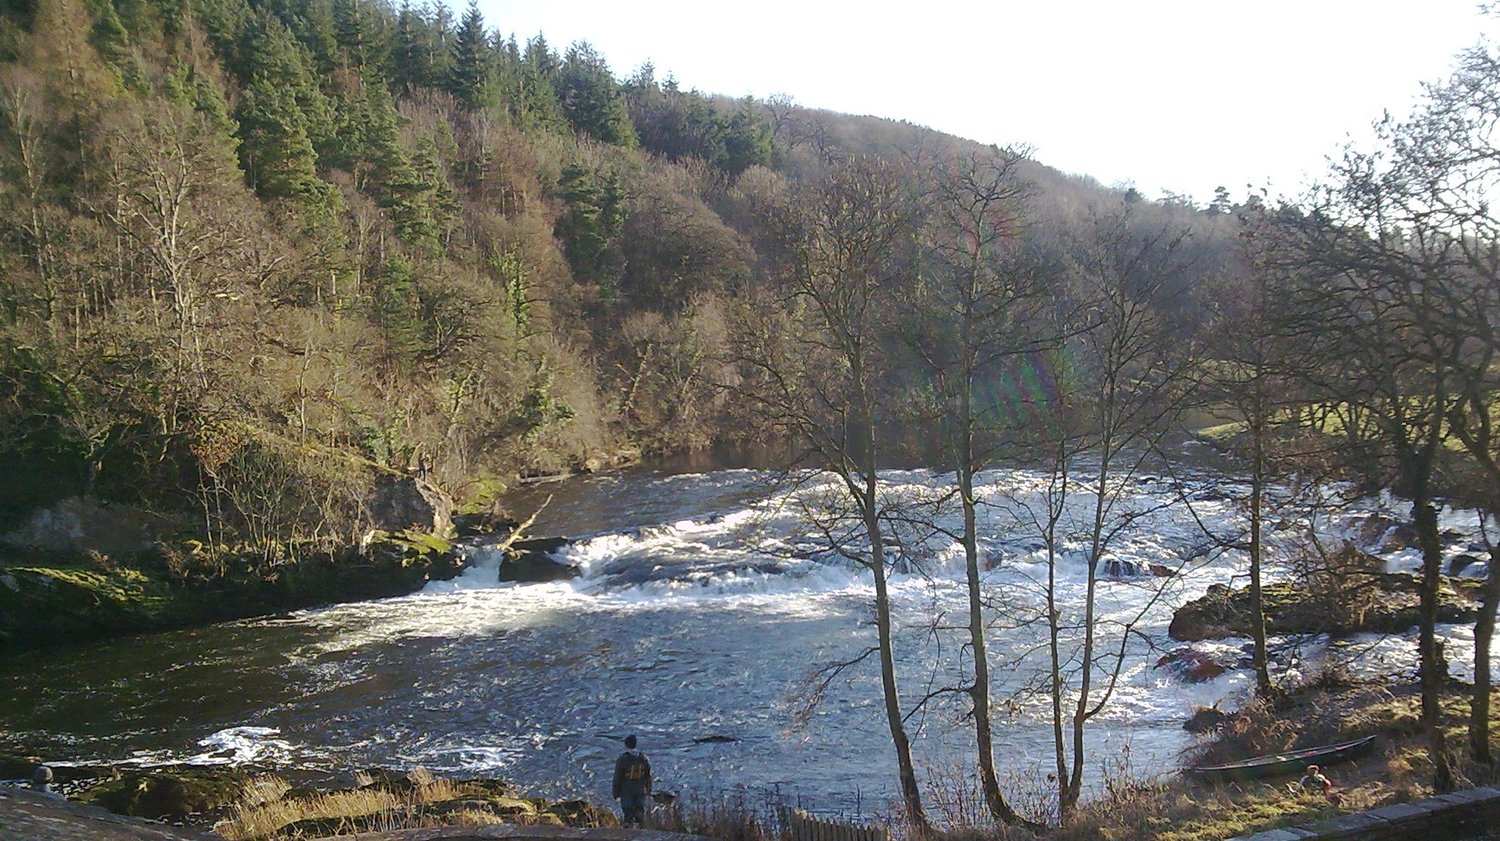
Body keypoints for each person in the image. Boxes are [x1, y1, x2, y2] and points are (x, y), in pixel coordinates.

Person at [612, 734, 652, 827]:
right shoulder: (644, 758)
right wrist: (648, 790)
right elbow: (648, 776)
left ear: (626, 745)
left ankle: (629, 831)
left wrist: (615, 793)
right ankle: (641, 832)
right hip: (640, 790)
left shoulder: (622, 759)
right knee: (640, 815)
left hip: (626, 791)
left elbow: (617, 778)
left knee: (628, 815)